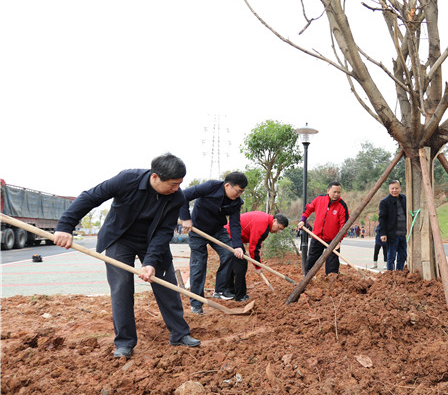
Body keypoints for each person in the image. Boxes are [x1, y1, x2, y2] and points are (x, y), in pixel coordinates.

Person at [53, 153, 200, 358]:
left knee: (166, 284)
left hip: (152, 241)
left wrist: (150, 262)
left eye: (179, 184)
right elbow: (90, 197)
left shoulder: (177, 197)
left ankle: (179, 333)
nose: (177, 188)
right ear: (155, 177)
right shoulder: (127, 179)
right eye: (173, 184)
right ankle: (125, 343)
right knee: (121, 287)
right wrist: (65, 226)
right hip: (120, 238)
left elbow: (164, 231)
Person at [180, 172, 247, 315]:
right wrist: (185, 218)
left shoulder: (236, 202)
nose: (239, 194)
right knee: (198, 265)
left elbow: (235, 224)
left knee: (229, 253)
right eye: (238, 191)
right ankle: (196, 303)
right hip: (197, 229)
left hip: (217, 230)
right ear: (227, 185)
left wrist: (237, 246)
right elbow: (183, 196)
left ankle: (220, 290)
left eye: (242, 192)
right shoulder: (210, 187)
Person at [225, 211, 289, 302]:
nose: (278, 231)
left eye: (280, 230)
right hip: (229, 234)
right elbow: (254, 248)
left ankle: (229, 291)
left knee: (235, 263)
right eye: (279, 228)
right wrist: (258, 266)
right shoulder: (262, 225)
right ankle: (239, 296)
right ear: (274, 221)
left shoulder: (266, 222)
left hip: (231, 234)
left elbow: (255, 245)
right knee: (240, 264)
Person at [299, 182, 349, 275]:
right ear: (328, 190)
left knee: (332, 265)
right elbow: (308, 209)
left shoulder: (342, 206)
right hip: (317, 237)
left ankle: (331, 281)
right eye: (334, 192)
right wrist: (303, 220)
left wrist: (338, 241)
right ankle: (308, 279)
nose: (336, 194)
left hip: (333, 240)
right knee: (311, 261)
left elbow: (344, 226)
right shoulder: (319, 199)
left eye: (339, 192)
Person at [379, 180, 408, 271]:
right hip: (392, 234)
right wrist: (383, 233)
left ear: (400, 188)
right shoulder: (385, 202)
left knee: (402, 255)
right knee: (391, 257)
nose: (394, 190)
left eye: (396, 188)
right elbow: (382, 219)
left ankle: (399, 273)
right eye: (392, 188)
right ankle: (390, 275)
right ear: (389, 189)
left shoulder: (404, 199)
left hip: (403, 233)